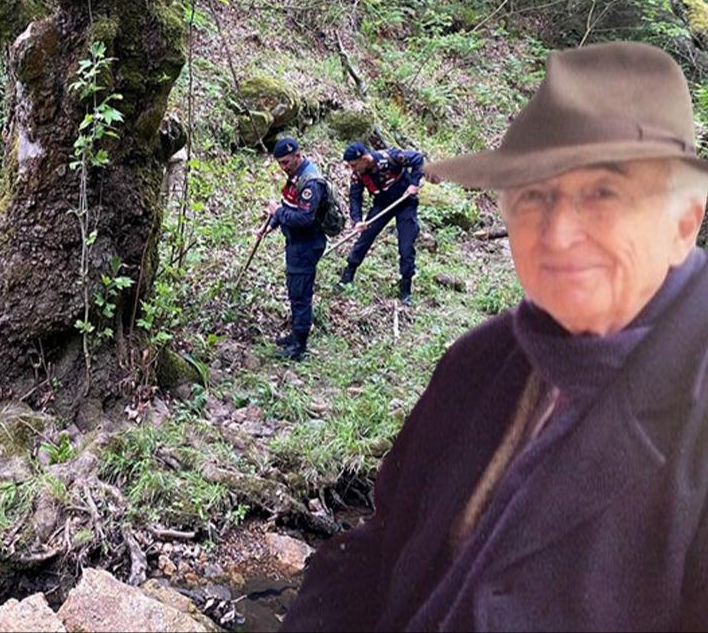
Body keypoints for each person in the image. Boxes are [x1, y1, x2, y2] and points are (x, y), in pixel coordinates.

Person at [282, 41, 708, 631]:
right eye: (533, 195)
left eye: (602, 195)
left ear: (683, 221)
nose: (557, 234)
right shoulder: (478, 361)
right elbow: (379, 549)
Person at [263, 137, 329, 361]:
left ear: (298, 156)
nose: (283, 167)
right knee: (294, 290)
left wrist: (277, 213)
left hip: (307, 244)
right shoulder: (295, 177)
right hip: (296, 242)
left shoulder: (310, 182)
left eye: (287, 162)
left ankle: (300, 346)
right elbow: (289, 204)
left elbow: (303, 218)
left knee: (300, 294)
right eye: (280, 163)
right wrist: (272, 224)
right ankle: (295, 334)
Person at [339, 141, 426, 305]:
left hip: (405, 202)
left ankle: (405, 289)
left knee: (406, 245)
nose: (353, 169)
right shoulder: (358, 175)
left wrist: (414, 183)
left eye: (354, 165)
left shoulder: (391, 157)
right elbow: (355, 198)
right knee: (365, 237)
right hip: (382, 204)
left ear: (365, 158)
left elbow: (418, 158)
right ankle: (347, 275)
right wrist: (357, 221)